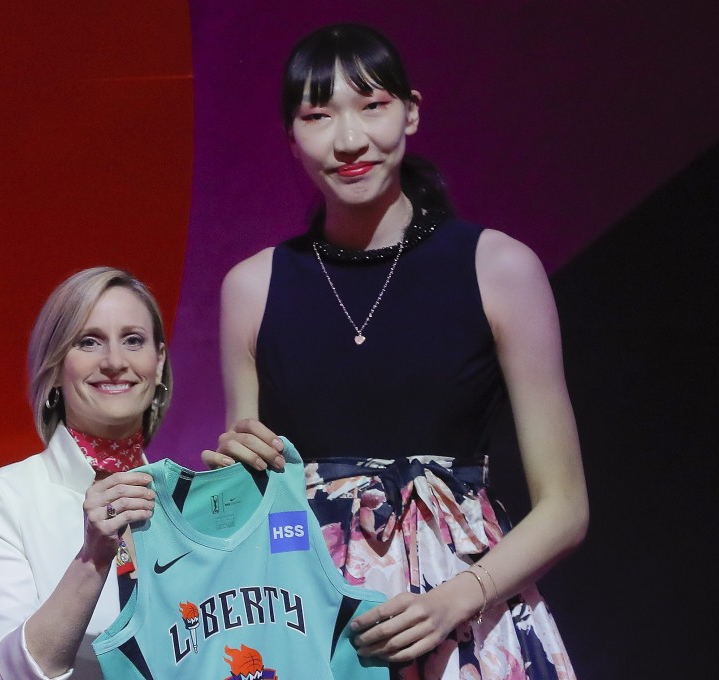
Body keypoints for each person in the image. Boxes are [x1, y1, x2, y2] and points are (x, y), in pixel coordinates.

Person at [204, 23, 588, 679]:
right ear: (291, 141)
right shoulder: (251, 287)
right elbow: (269, 514)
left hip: (472, 618)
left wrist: (458, 600)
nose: (350, 139)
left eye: (372, 106)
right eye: (318, 116)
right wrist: (236, 488)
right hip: (316, 630)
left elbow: (565, 505)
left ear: (410, 111)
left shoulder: (498, 268)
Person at [0, 267, 172, 680]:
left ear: (158, 363)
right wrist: (92, 560)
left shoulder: (187, 499)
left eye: (133, 340)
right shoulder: (0, 499)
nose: (114, 361)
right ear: (54, 367)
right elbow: (13, 675)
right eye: (88, 342)